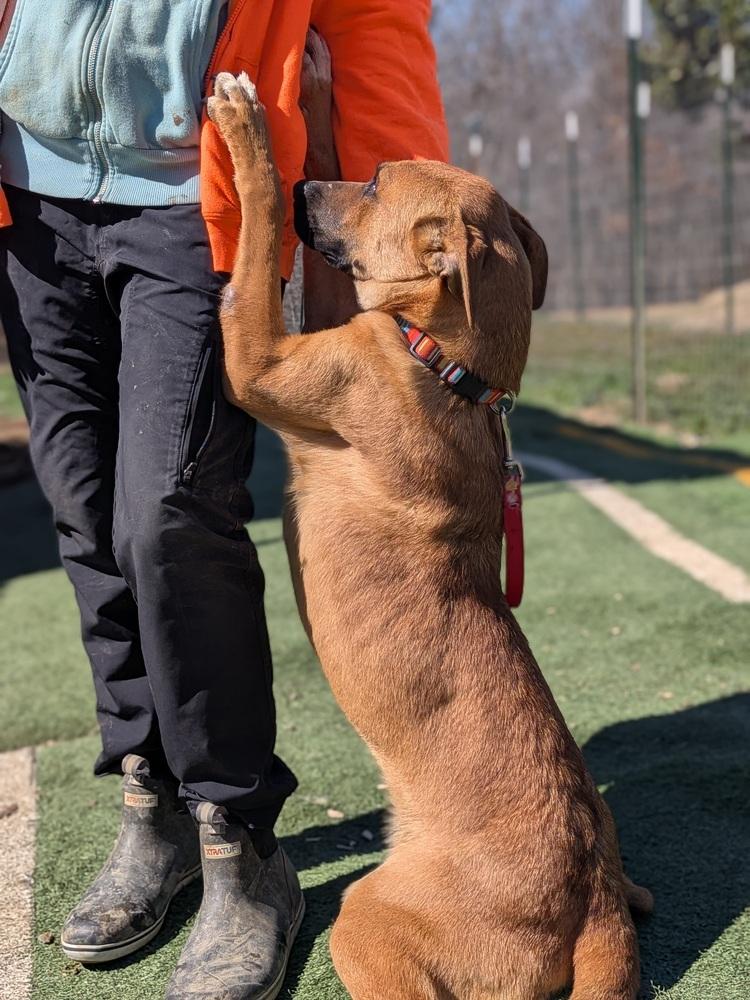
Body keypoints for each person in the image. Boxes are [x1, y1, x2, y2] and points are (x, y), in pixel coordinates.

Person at [0, 1, 448, 996]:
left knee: (167, 511)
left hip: (190, 197)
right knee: (82, 507)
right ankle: (150, 804)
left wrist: (396, 217)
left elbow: (373, 20)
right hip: (26, 193)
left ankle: (240, 842)